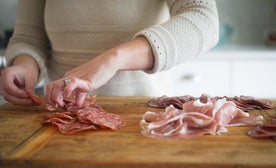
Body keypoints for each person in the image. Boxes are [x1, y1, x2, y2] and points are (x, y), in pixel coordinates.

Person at [0, 0, 219, 110]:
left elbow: (203, 18)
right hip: (61, 116)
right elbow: (29, 38)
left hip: (143, 115)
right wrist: (24, 66)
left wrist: (113, 60)